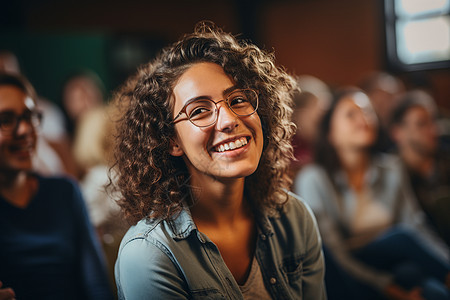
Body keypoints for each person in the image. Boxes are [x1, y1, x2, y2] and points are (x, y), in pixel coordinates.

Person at [111, 23, 326, 299]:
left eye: (238, 100)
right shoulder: (150, 253)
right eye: (199, 111)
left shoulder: (294, 218)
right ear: (171, 141)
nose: (229, 120)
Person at [294, 87, 449, 300]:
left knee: (436, 292)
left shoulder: (392, 169)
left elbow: (417, 226)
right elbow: (332, 252)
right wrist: (389, 290)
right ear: (331, 133)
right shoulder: (313, 179)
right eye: (351, 114)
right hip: (347, 273)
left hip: (397, 265)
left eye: (367, 112)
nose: (363, 118)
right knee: (400, 237)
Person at [0, 72, 114, 299]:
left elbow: (97, 284)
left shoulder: (65, 191)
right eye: (6, 120)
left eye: (30, 116)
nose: (25, 130)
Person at [390, 89, 450, 246]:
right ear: (398, 132)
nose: (433, 130)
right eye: (422, 124)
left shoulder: (445, 161)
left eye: (433, 121)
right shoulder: (390, 174)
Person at [290, 75, 331, 176]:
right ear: (299, 114)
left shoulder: (325, 146)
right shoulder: (285, 152)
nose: (325, 124)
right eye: (319, 118)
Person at [359, 71, 405, 152]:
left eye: (395, 97)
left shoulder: (397, 134)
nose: (392, 102)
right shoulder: (362, 133)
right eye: (385, 95)